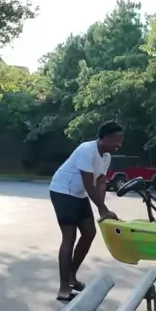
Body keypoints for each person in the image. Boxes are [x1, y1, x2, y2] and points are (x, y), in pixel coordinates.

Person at [49, 121, 124, 301]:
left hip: (79, 194)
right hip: (62, 192)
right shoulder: (86, 150)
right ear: (105, 137)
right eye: (117, 140)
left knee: (89, 233)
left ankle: (72, 277)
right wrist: (102, 209)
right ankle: (63, 288)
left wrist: (103, 208)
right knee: (69, 237)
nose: (119, 145)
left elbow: (100, 182)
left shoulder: (106, 157)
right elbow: (88, 183)